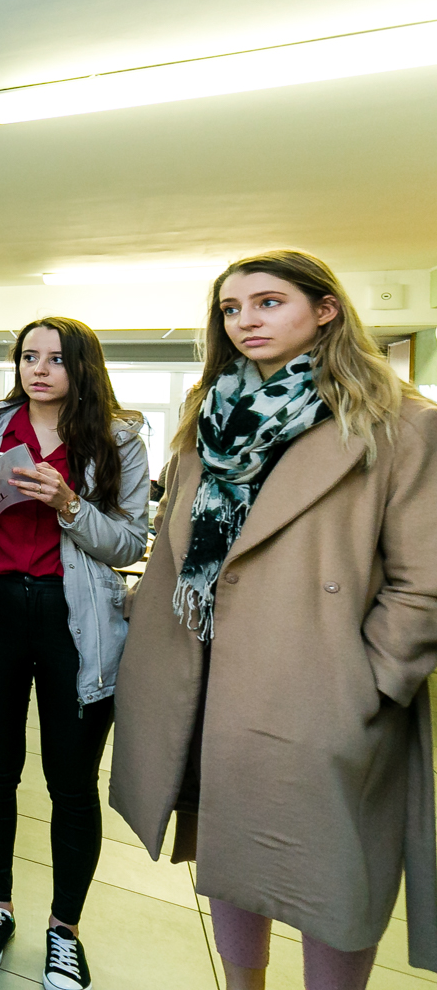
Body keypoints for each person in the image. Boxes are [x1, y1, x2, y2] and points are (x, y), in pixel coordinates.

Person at [110, 251, 437, 990]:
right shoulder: (210, 419)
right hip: (209, 675)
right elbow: (177, 546)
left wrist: (368, 685)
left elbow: (424, 583)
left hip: (320, 687)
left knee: (336, 879)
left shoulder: (400, 424)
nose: (245, 321)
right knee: (229, 853)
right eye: (231, 308)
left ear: (325, 310)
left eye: (268, 302)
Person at [0, 316, 148, 990]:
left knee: (71, 782)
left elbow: (130, 543)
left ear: (82, 366)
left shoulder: (118, 437)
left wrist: (69, 505)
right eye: (28, 357)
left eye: (55, 359)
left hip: (76, 623)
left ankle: (65, 929)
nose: (38, 369)